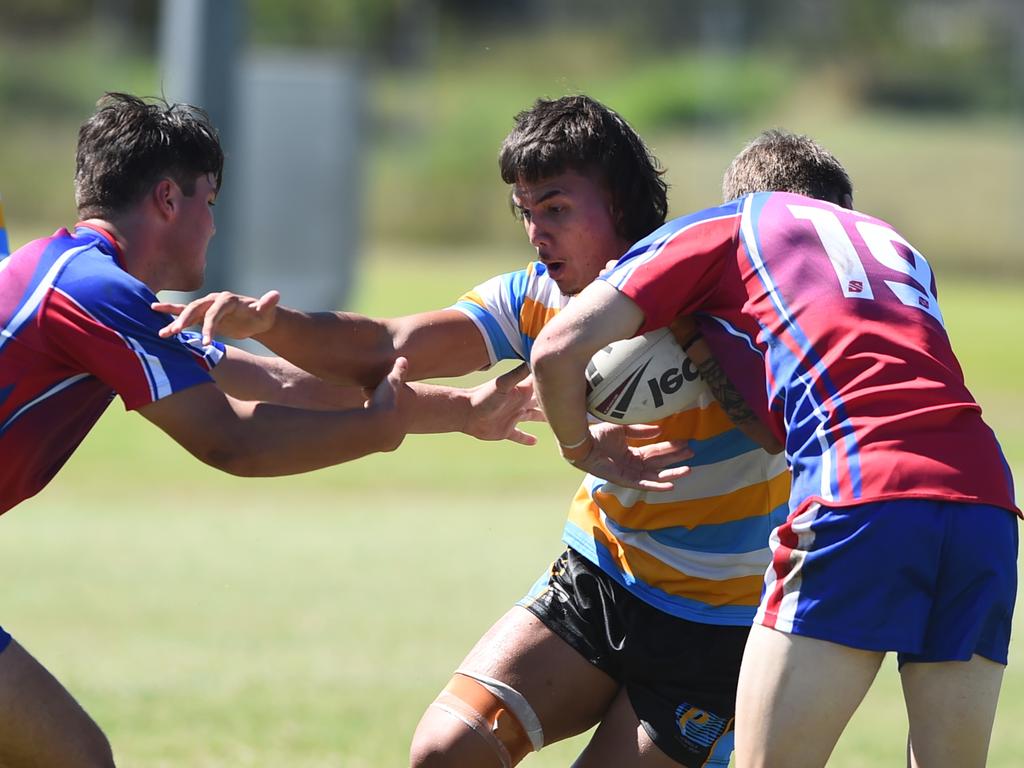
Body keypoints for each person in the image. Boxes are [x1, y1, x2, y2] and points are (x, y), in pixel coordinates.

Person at [157, 95, 790, 767]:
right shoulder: (537, 297)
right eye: (525, 213)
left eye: (556, 209)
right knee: (445, 751)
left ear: (623, 204)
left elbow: (790, 421)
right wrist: (270, 327)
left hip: (719, 624)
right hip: (601, 579)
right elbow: (389, 345)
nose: (536, 233)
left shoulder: (717, 294)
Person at [0, 92, 540, 767]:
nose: (214, 226)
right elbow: (233, 441)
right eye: (209, 203)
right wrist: (376, 432)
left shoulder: (94, 286)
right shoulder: (95, 293)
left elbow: (272, 383)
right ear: (168, 200)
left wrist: (465, 412)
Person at [530, 128, 1020, 768]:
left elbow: (556, 349)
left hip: (861, 490)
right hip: (986, 499)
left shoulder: (730, 225)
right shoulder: (899, 248)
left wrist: (581, 447)